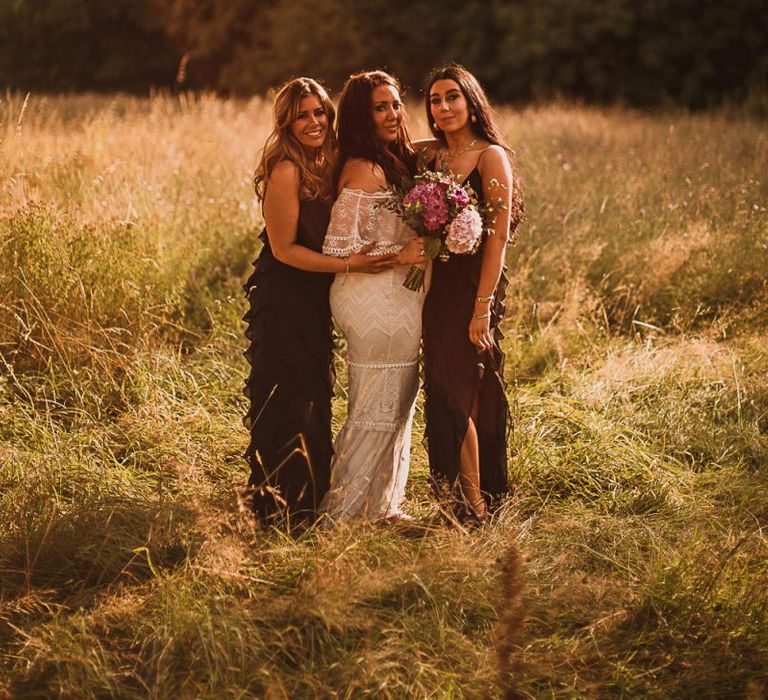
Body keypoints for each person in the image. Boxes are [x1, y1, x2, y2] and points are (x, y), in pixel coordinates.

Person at [243, 77, 395, 524]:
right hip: (285, 296)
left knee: (314, 393)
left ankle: (309, 498)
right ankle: (280, 506)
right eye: (302, 115)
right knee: (288, 395)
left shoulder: (329, 158)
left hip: (316, 294)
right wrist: (351, 266)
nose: (313, 122)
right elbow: (285, 249)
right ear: (286, 122)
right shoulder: (286, 168)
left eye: (319, 112)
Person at [418, 64, 524, 523]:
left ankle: (477, 504)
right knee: (445, 386)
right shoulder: (430, 158)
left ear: (471, 100)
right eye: (435, 101)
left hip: (474, 289)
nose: (443, 107)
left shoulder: (490, 157)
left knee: (463, 389)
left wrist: (482, 308)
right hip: (436, 290)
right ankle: (462, 495)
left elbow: (497, 238)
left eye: (452, 98)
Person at [320, 70, 426, 522]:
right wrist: (402, 252)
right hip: (371, 299)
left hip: (397, 297)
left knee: (397, 400)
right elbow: (338, 246)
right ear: (363, 116)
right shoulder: (364, 167)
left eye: (396, 104)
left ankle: (381, 506)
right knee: (375, 403)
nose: (393, 114)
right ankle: (344, 512)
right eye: (380, 107)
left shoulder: (393, 159)